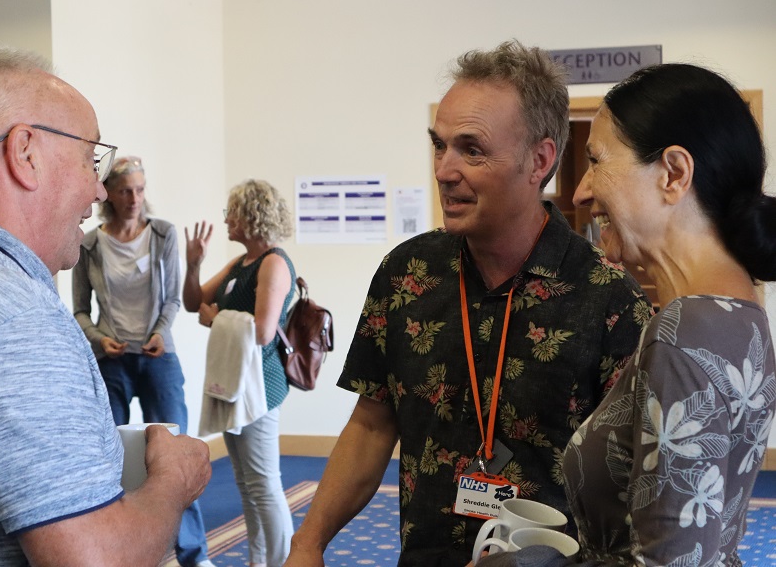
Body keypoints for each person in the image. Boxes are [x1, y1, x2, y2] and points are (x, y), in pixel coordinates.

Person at [284, 40, 653, 567]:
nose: (443, 169)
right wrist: (309, 541)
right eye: (440, 145)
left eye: (471, 149)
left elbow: (639, 485)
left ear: (539, 160)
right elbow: (370, 424)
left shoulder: (607, 300)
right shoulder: (406, 275)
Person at [0, 46, 210, 566]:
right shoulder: (13, 320)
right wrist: (173, 482)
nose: (98, 188)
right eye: (89, 158)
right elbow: (96, 561)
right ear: (25, 153)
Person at [482, 63, 776, 566]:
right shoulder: (742, 314)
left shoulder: (685, 331)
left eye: (596, 161)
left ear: (673, 174)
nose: (579, 191)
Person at [72, 155, 215, 567]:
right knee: (108, 461)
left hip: (158, 358)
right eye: (125, 191)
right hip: (111, 362)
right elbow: (80, 310)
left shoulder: (164, 235)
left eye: (140, 189)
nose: (134, 198)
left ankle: (194, 555)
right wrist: (101, 338)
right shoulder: (89, 244)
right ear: (110, 197)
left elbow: (171, 299)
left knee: (178, 456)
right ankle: (117, 551)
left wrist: (158, 333)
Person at [184, 179, 296, 567]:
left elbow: (263, 332)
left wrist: (217, 320)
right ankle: (258, 560)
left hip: (261, 387)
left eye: (232, 212)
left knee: (265, 484)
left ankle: (283, 562)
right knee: (247, 485)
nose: (227, 219)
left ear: (251, 217)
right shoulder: (240, 263)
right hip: (235, 384)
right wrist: (194, 263)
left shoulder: (275, 263)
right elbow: (193, 302)